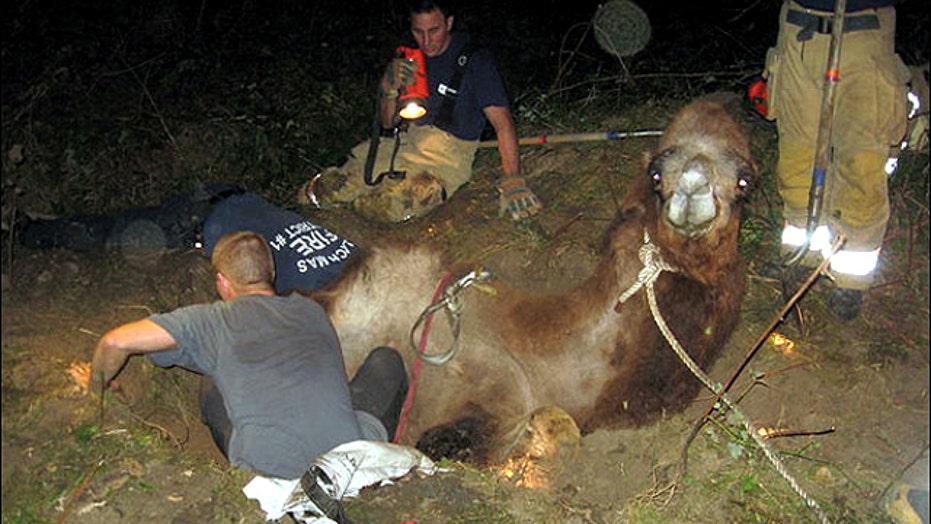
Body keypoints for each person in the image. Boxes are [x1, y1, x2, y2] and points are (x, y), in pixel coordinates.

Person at [86, 230, 410, 480]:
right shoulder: (310, 311)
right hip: (349, 459)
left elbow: (115, 343)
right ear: (271, 273)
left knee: (212, 383)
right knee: (386, 360)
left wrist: (95, 390)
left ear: (222, 282)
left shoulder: (210, 320)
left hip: (266, 469)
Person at [302, 0, 542, 223]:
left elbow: (503, 124)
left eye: (434, 31)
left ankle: (351, 218)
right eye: (419, 32)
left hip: (446, 156)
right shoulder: (410, 60)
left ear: (449, 23)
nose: (427, 42)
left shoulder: (475, 62)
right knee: (322, 190)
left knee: (385, 206)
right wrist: (389, 87)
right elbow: (388, 123)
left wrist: (513, 179)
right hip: (404, 144)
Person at [762, 0, 913, 320]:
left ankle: (850, 279)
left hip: (865, 36)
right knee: (797, 158)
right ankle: (800, 258)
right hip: (800, 31)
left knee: (862, 165)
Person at [17, 184, 357, 294]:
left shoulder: (357, 258)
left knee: (121, 226)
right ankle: (28, 231)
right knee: (110, 234)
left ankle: (41, 224)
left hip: (228, 197)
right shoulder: (325, 292)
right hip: (196, 218)